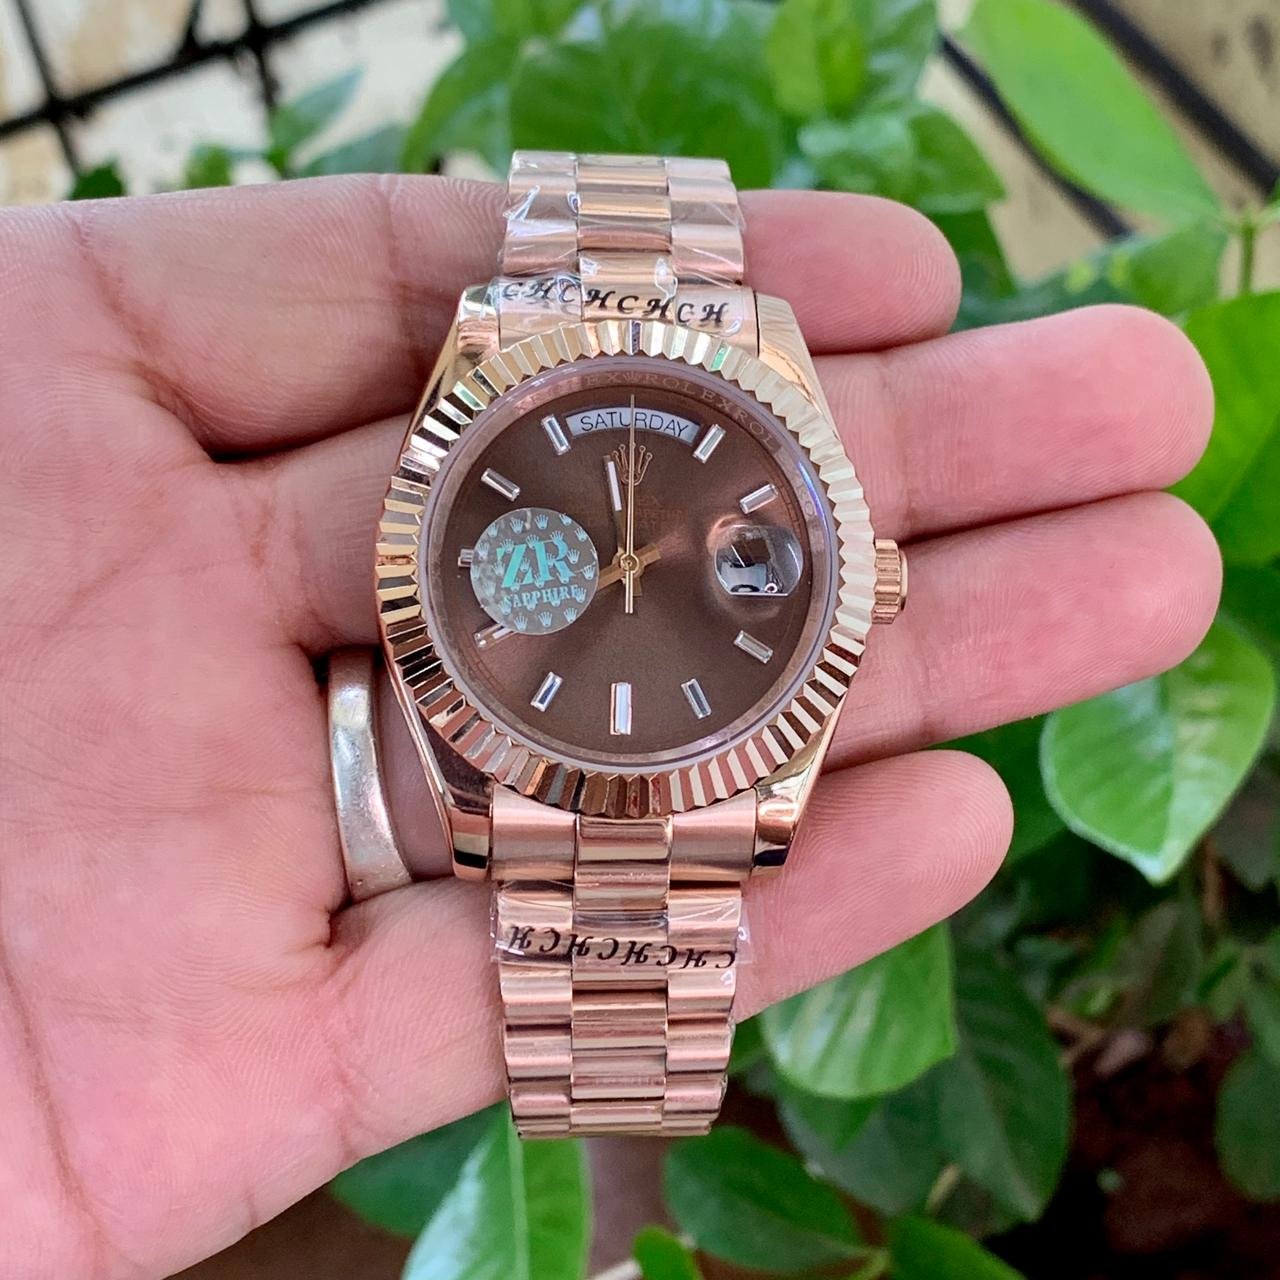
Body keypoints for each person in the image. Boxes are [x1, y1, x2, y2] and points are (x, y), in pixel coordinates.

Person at [0, 174, 1219, 1278]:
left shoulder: (765, 536)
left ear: (864, 578)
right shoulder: (473, 497)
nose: (628, 571)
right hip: (524, 732)